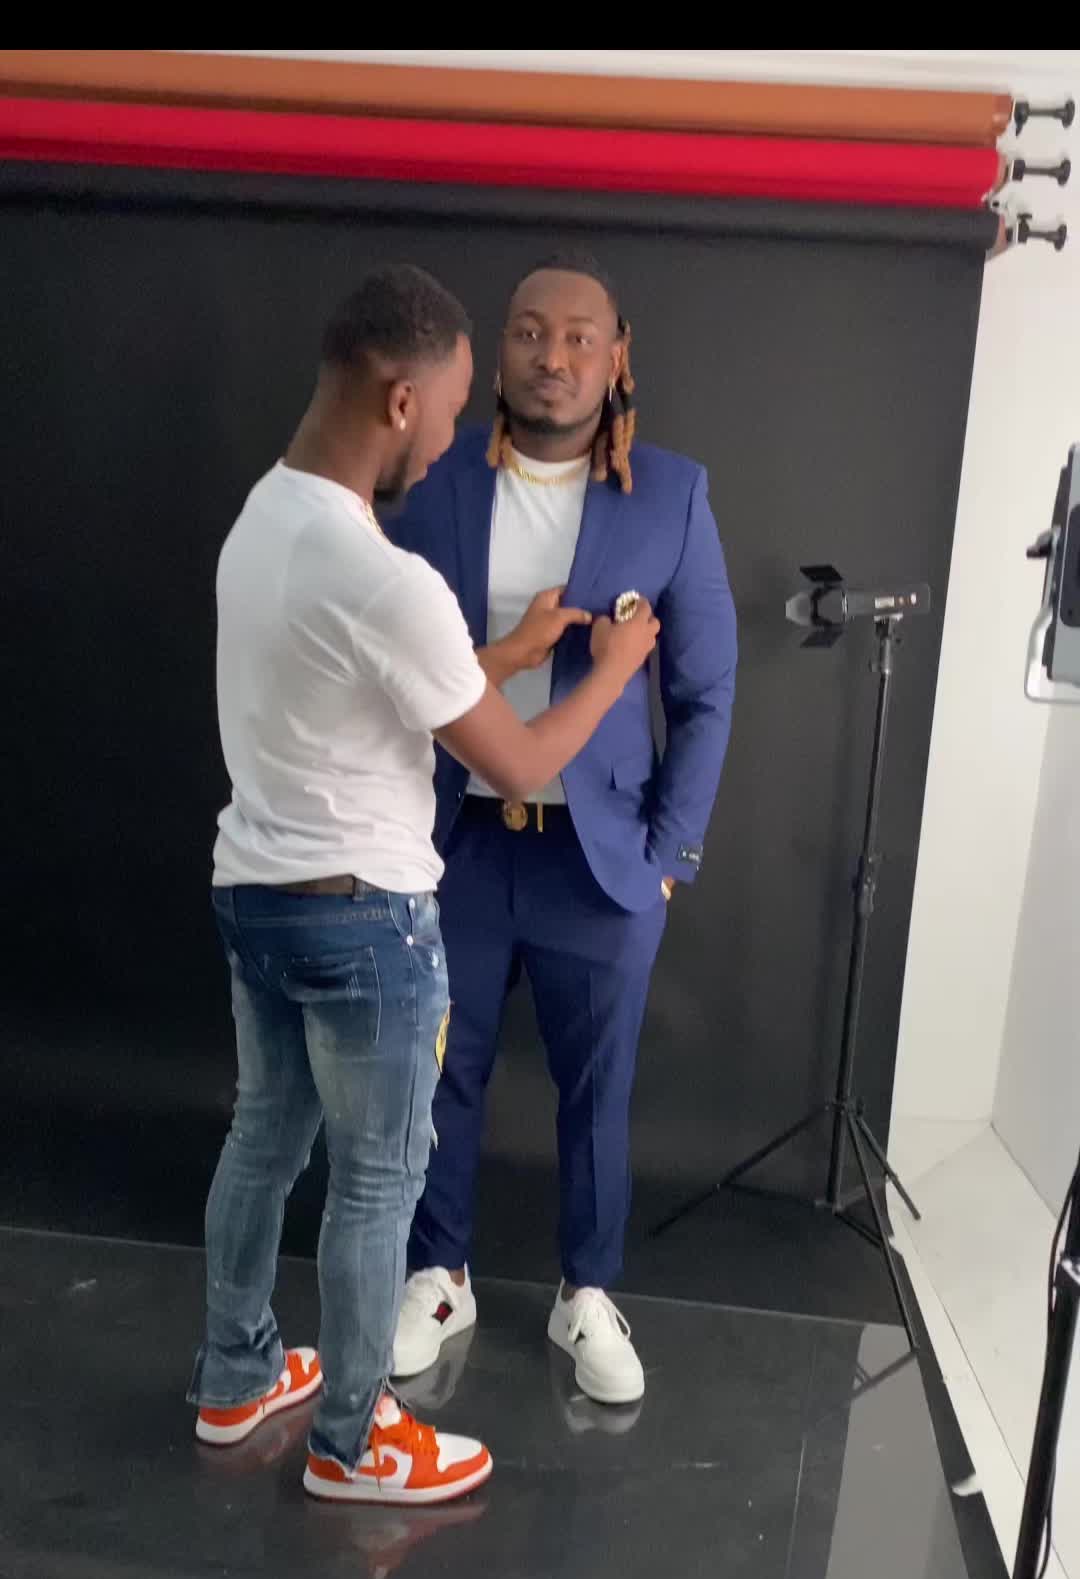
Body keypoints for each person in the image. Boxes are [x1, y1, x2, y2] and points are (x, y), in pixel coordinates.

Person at [187, 265, 659, 1503]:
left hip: (257, 894)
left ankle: (235, 1377)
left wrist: (505, 651)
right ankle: (355, 1441)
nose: (455, 438)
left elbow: (377, 680)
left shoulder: (267, 516)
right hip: (366, 922)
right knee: (378, 1182)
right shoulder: (386, 575)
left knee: (262, 1141)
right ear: (400, 401)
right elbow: (522, 760)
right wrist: (615, 668)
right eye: (449, 412)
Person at [390, 253, 737, 1406]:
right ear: (499, 353)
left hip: (601, 860)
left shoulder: (671, 495)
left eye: (580, 337)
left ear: (616, 355)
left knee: (599, 1089)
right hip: (458, 843)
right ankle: (439, 1276)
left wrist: (670, 856)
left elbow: (705, 690)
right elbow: (394, 665)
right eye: (531, 332)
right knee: (438, 1073)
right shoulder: (435, 484)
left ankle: (586, 1292)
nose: (554, 356)